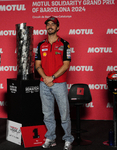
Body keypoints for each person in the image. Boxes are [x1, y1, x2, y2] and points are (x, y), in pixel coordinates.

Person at [35, 16, 74, 150]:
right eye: (48, 24)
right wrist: (45, 78)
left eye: (53, 24)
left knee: (64, 114)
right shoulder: (41, 45)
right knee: (47, 114)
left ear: (57, 27)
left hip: (59, 84)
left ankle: (68, 139)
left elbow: (66, 65)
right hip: (44, 83)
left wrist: (51, 77)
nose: (50, 26)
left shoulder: (64, 44)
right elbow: (37, 64)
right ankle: (51, 138)